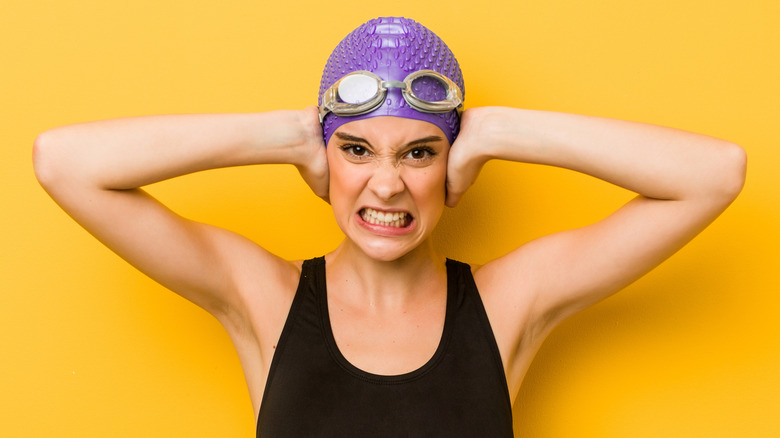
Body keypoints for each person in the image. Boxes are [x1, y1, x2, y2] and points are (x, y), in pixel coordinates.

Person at [32, 16, 745, 437]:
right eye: (357, 149)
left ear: (451, 165)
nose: (387, 182)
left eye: (420, 152)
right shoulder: (265, 297)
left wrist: (498, 129)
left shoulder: (506, 305)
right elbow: (63, 161)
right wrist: (285, 135)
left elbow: (714, 175)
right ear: (326, 157)